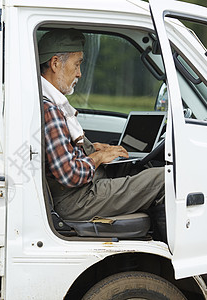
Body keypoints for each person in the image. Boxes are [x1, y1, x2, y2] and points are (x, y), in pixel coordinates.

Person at [39, 28, 165, 222]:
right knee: (164, 178)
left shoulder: (50, 102)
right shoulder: (51, 110)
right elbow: (69, 174)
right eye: (77, 64)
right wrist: (98, 157)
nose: (80, 73)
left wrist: (93, 148)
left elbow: (61, 151)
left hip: (79, 193)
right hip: (77, 199)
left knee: (133, 166)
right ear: (55, 63)